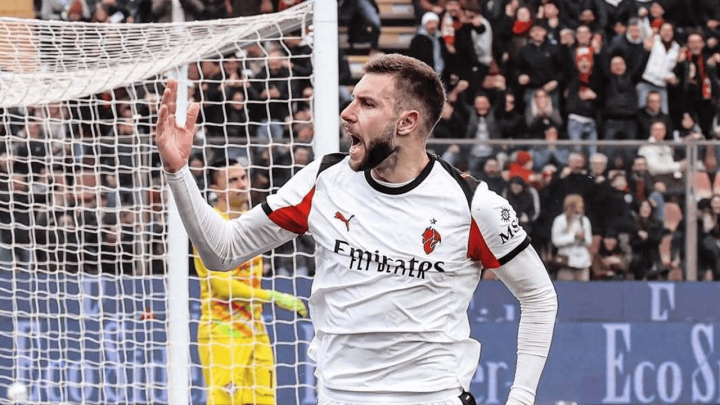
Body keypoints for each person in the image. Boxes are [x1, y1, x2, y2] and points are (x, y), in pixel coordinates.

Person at [155, 53, 557, 405]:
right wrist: (178, 172)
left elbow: (539, 296)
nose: (347, 113)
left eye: (366, 104)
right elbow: (222, 252)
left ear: (407, 122)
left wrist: (521, 397)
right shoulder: (324, 180)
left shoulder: (473, 204)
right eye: (353, 100)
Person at [193, 157, 308, 405]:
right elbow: (222, 286)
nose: (242, 184)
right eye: (233, 180)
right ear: (215, 189)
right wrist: (272, 296)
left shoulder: (251, 221)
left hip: (255, 330)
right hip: (222, 330)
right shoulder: (209, 226)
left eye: (244, 177)